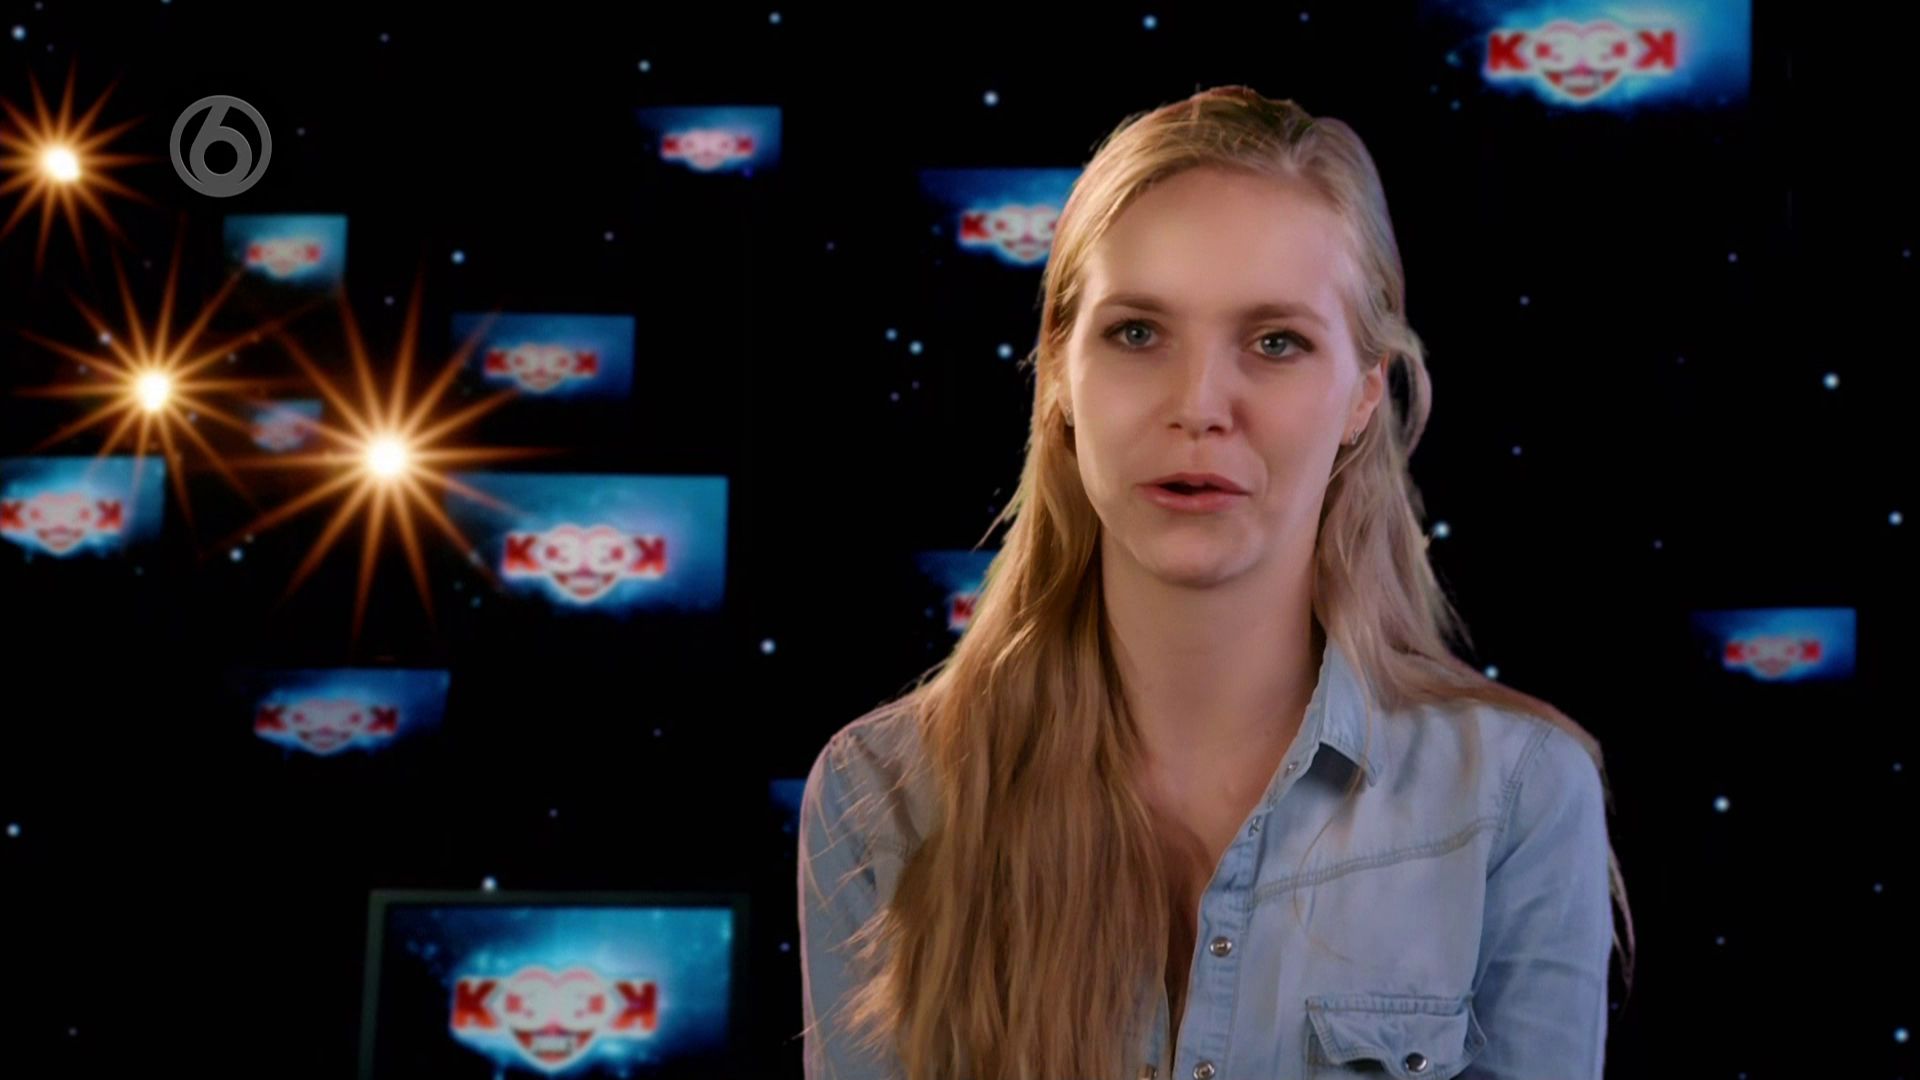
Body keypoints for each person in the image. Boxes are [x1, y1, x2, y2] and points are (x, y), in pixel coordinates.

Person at [799, 85, 1634, 1080]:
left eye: (1276, 342)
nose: (1199, 405)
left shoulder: (1518, 797)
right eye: (1137, 333)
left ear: (1363, 395)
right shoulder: (883, 794)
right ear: (1059, 371)